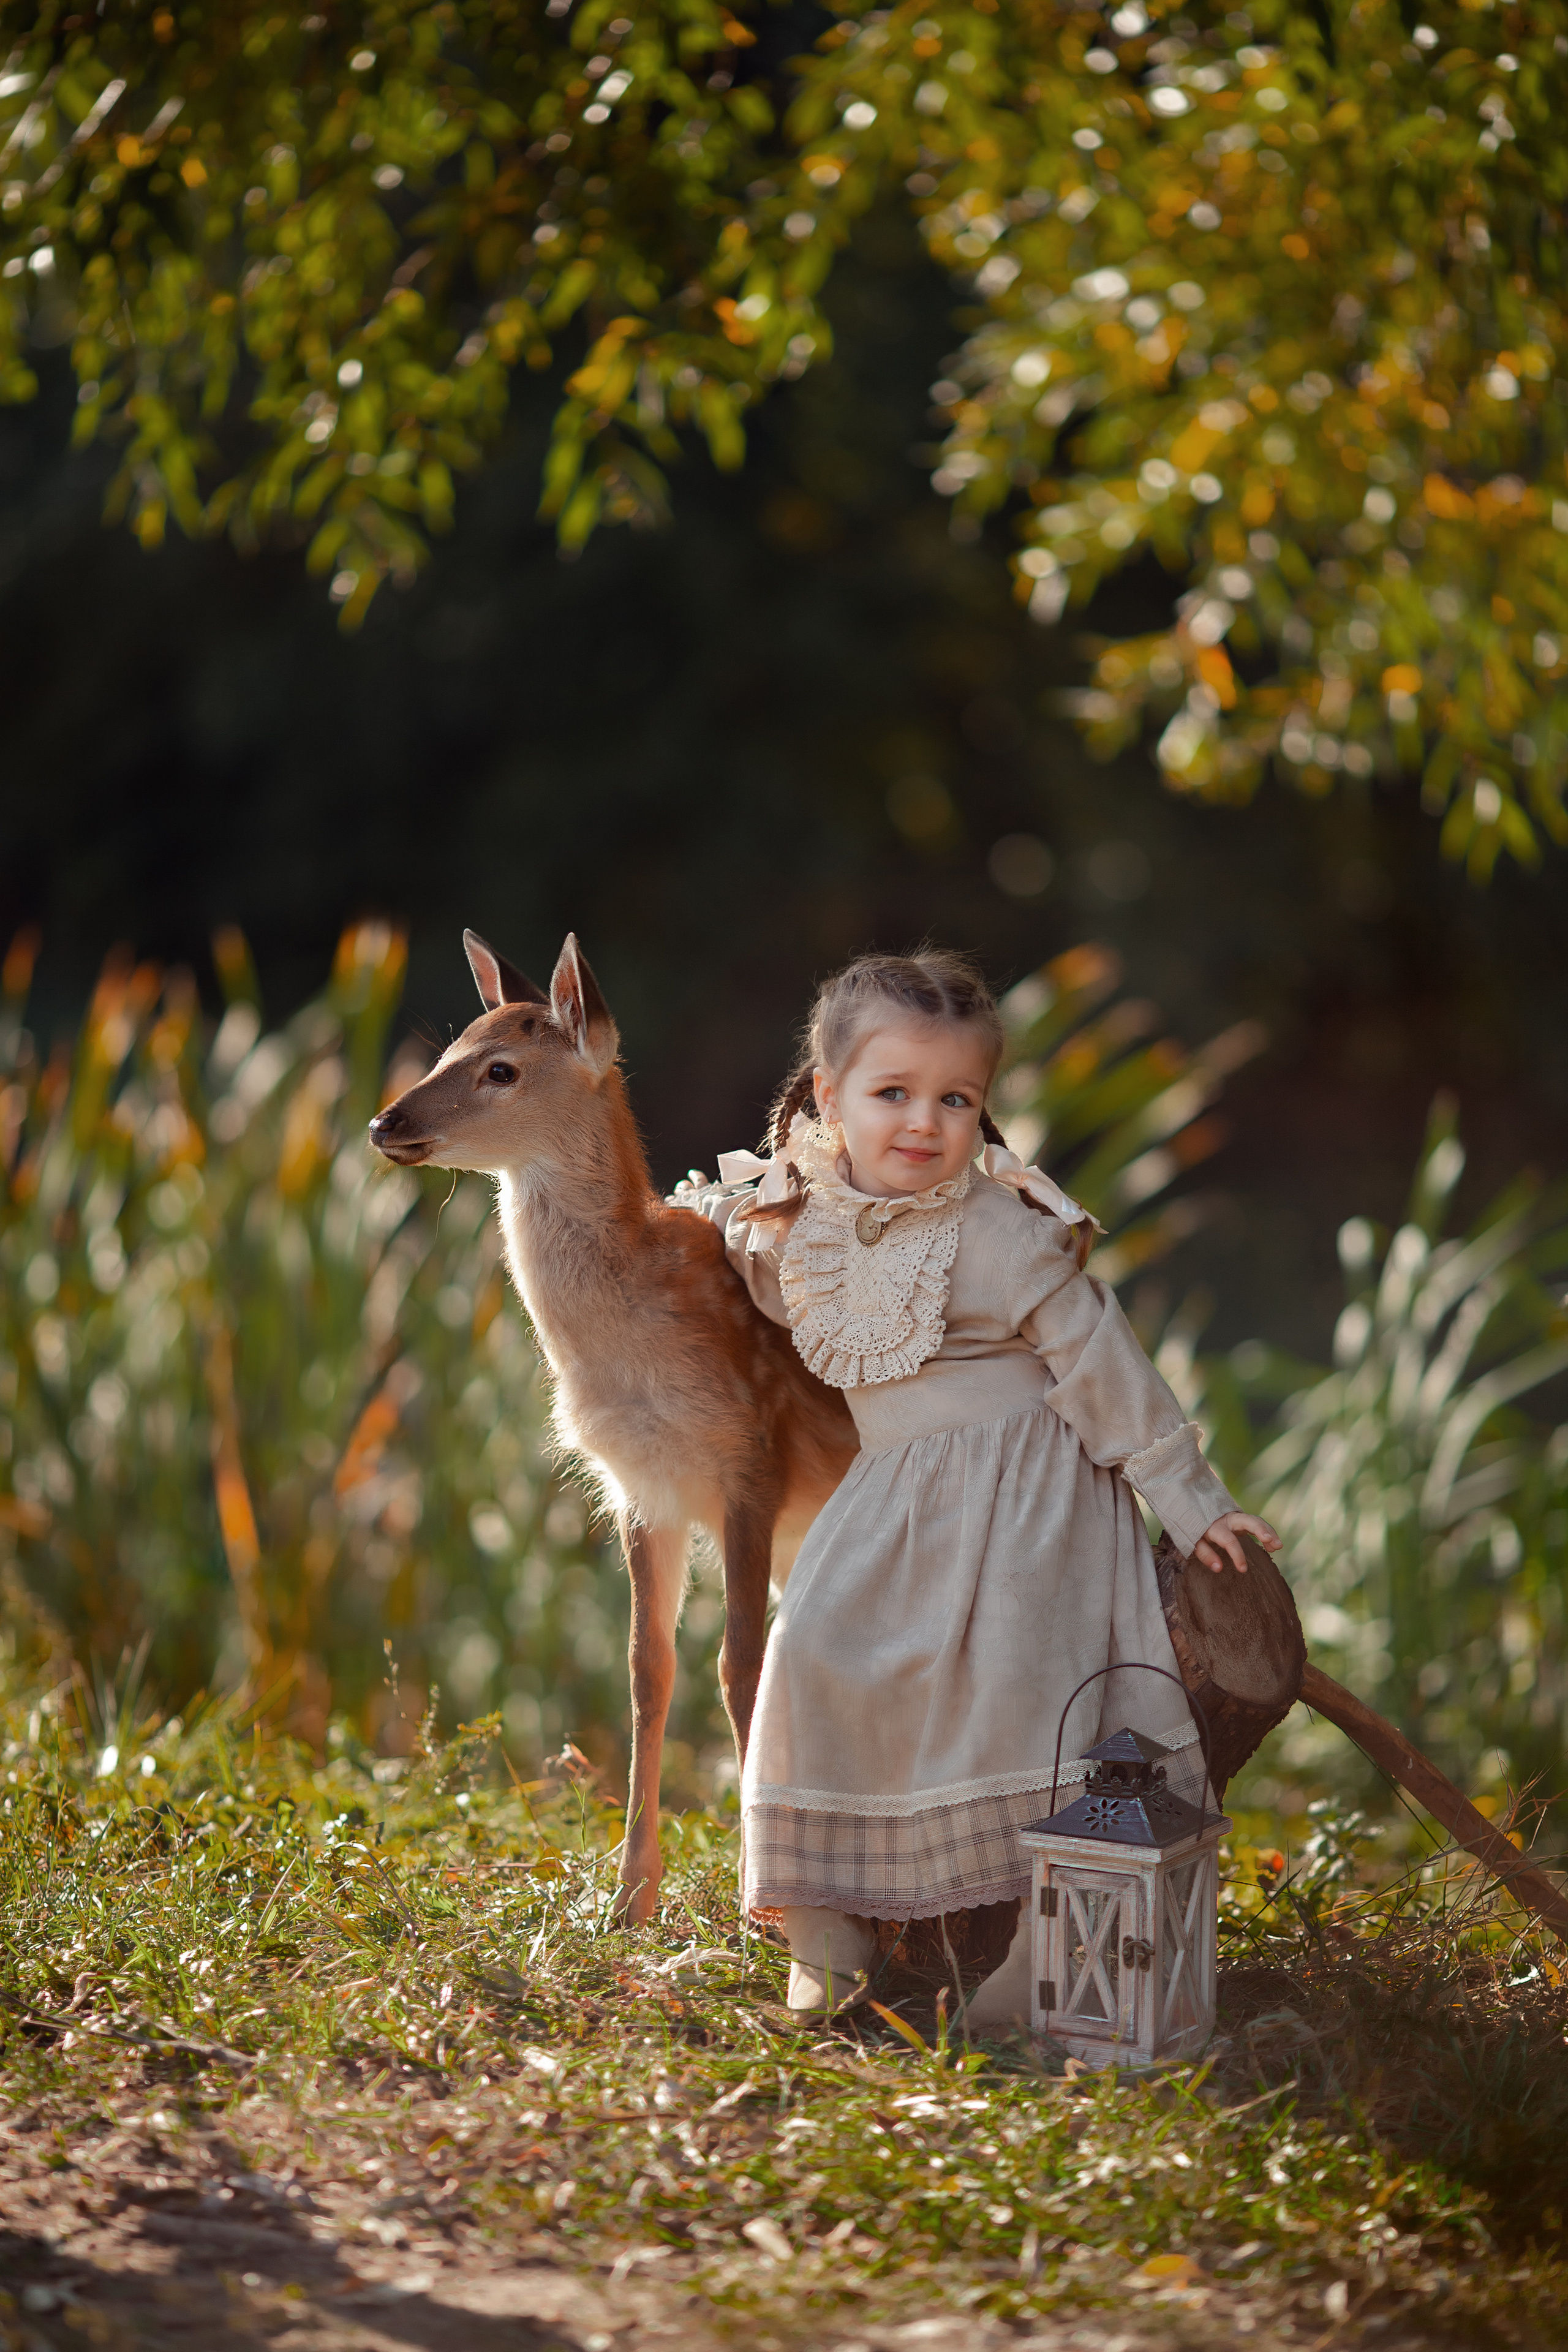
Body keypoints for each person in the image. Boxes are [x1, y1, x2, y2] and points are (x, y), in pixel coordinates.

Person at [675, 948, 1278, 2026]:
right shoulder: (792, 1220)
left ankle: (1030, 1962)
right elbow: (746, 1280)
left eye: (956, 1099)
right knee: (814, 1650)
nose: (924, 1122)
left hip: (1028, 1492)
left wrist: (1195, 1504)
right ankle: (826, 1932)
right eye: (892, 1093)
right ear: (829, 1094)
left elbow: (1105, 1365)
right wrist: (701, 1225)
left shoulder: (1000, 1230)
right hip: (896, 1491)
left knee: (1025, 1689)